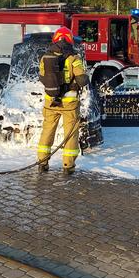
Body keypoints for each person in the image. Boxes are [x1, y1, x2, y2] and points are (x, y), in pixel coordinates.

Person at [37, 27, 89, 175]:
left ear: (55, 39)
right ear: (69, 39)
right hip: (69, 104)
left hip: (50, 101)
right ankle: (68, 166)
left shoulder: (45, 57)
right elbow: (82, 79)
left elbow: (42, 77)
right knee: (70, 134)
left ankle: (42, 163)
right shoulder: (74, 58)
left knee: (47, 131)